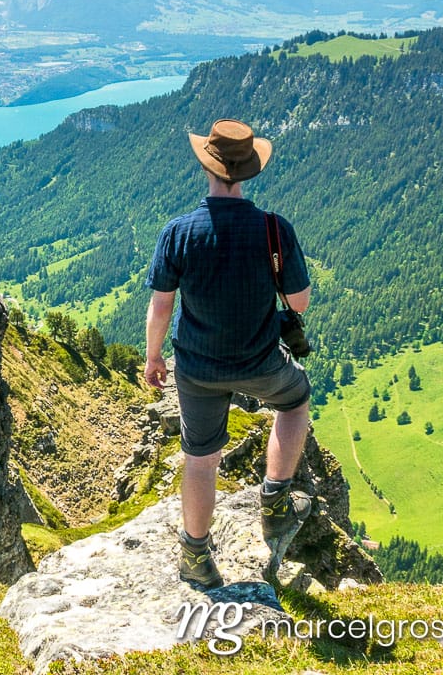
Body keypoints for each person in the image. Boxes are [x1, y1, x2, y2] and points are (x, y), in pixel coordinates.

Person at [143, 118, 313, 589]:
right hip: (261, 361)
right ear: (248, 172)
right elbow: (297, 302)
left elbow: (162, 304)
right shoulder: (273, 230)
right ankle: (275, 498)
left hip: (196, 367)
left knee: (200, 459)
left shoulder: (179, 232)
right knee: (295, 401)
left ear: (209, 169)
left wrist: (154, 357)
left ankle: (196, 556)